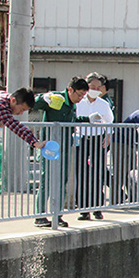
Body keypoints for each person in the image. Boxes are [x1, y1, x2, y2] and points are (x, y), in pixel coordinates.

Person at [32, 76, 91, 228]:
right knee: (47, 180)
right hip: (49, 147)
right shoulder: (56, 98)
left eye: (83, 96)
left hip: (64, 147)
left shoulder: (72, 105)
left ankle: (57, 215)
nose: (80, 98)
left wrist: (87, 119)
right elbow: (35, 103)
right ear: (70, 90)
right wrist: (43, 97)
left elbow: (71, 122)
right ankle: (40, 216)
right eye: (79, 94)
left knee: (62, 181)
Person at [74, 72, 115, 220]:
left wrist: (108, 136)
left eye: (98, 87)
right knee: (82, 174)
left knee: (98, 174)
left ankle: (97, 207)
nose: (95, 89)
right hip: (82, 139)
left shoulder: (103, 104)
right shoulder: (79, 101)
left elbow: (109, 121)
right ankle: (84, 209)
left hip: (98, 139)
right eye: (92, 86)